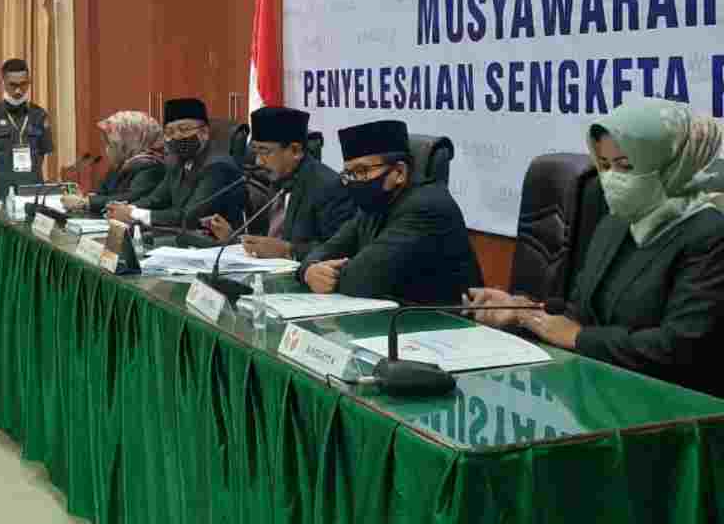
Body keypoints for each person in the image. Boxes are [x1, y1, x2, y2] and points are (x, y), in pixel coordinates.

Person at [466, 99, 724, 397]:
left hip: (678, 406)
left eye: (626, 166)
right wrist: (523, 312)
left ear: (674, 164)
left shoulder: (709, 235)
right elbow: (580, 314)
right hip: (604, 391)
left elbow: (680, 346)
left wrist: (578, 338)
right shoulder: (616, 223)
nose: (611, 178)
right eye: (604, 165)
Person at [298, 119, 479, 303]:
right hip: (398, 311)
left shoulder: (427, 207)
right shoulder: (373, 205)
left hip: (443, 317)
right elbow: (325, 250)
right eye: (349, 174)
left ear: (399, 172)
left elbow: (363, 278)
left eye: (362, 171)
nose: (355, 181)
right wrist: (310, 270)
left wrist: (325, 275)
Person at [206, 106, 355, 261]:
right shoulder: (277, 179)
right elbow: (267, 243)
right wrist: (233, 239)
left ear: (295, 151)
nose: (258, 161)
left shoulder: (329, 187)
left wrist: (289, 251)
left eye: (265, 151)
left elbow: (342, 249)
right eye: (255, 151)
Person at [106, 98, 244, 230]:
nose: (177, 136)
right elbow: (156, 199)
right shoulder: (177, 161)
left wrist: (134, 214)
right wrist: (126, 209)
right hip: (183, 234)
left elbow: (190, 217)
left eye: (184, 129)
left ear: (205, 132)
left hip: (215, 240)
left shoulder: (218, 166)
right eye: (170, 132)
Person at [0, 58, 54, 199]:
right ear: (3, 82)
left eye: (23, 85)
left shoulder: (39, 115)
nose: (18, 90)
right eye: (13, 85)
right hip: (2, 191)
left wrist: (44, 189)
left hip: (32, 190)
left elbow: (45, 155)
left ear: (29, 82)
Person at [62, 111, 166, 214]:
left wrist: (86, 203)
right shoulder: (122, 163)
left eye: (112, 143)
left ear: (131, 139)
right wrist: (84, 198)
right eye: (108, 143)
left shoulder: (152, 166)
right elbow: (104, 192)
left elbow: (131, 198)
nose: (108, 148)